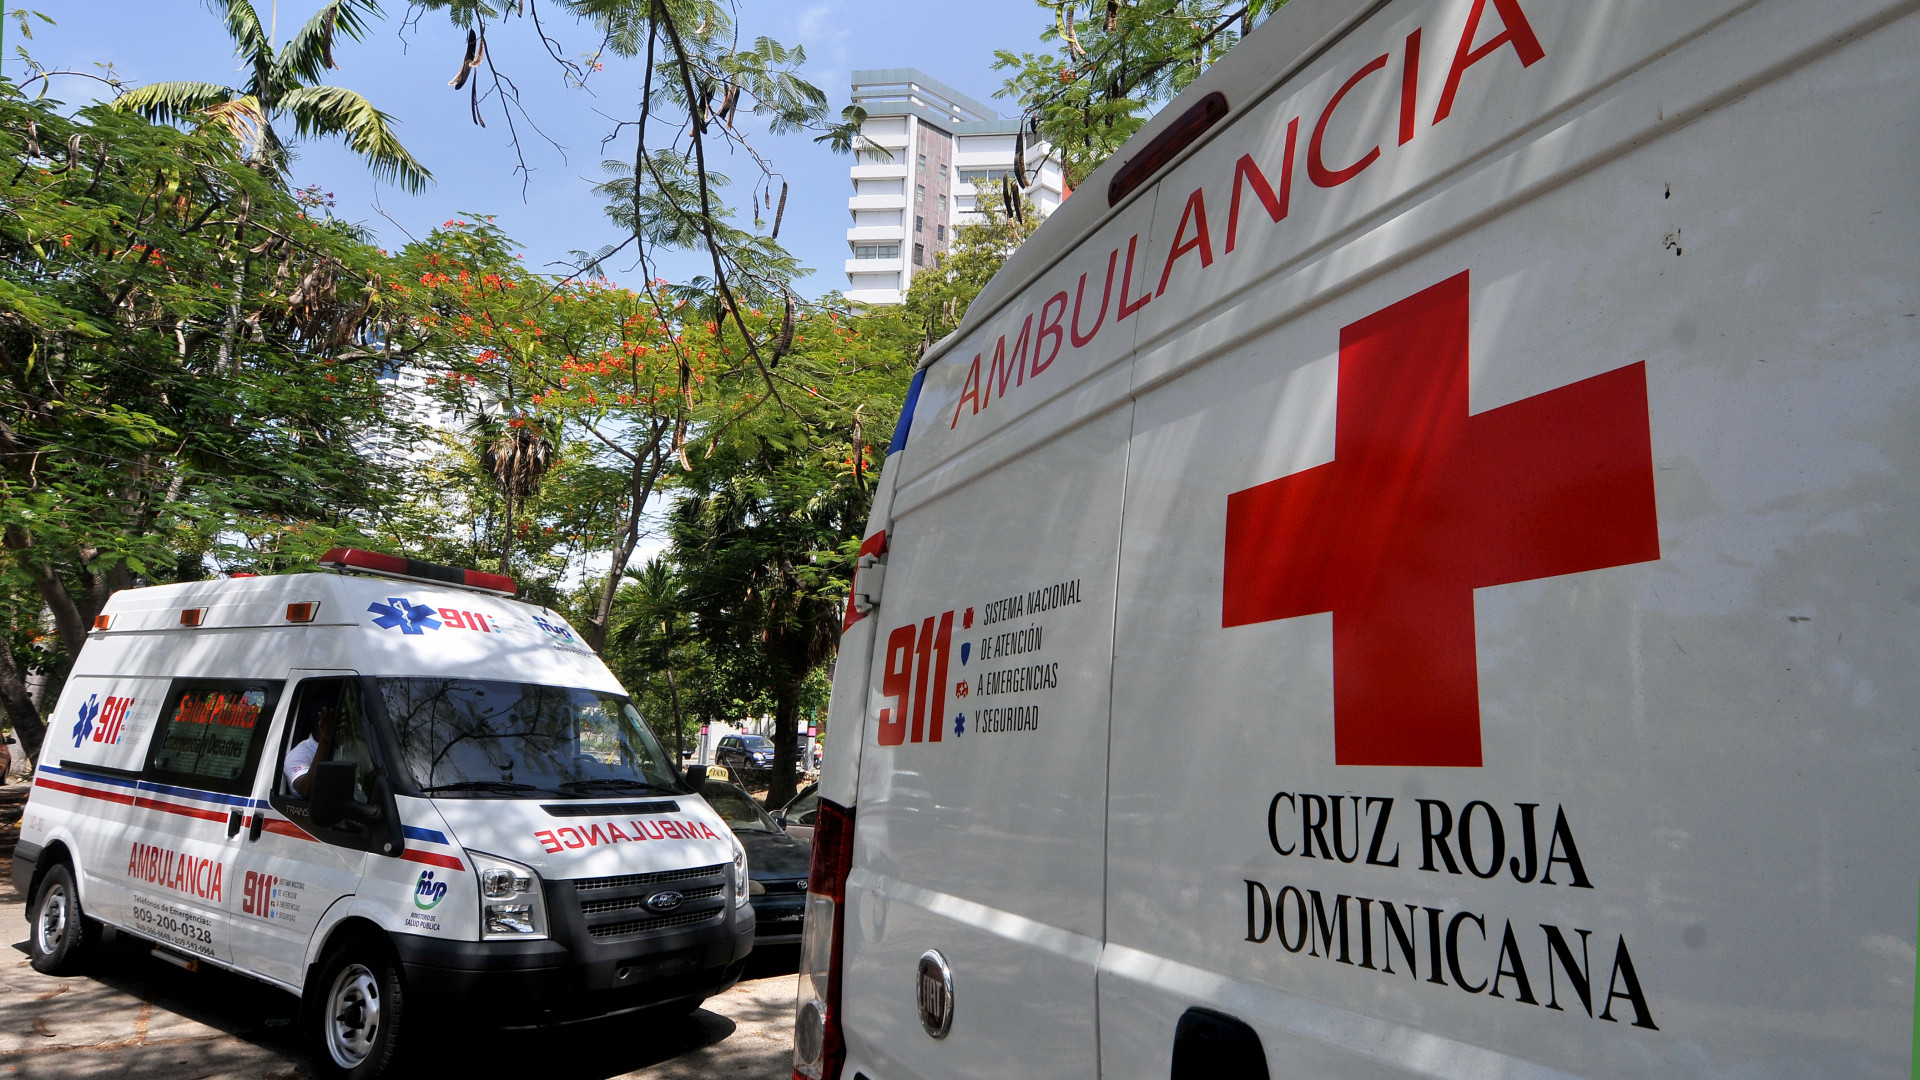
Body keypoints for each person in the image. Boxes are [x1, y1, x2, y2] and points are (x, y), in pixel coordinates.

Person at [284, 703, 336, 798]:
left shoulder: (350, 746)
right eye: (331, 722)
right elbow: (306, 790)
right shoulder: (299, 754)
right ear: (320, 724)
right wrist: (324, 741)